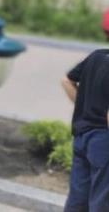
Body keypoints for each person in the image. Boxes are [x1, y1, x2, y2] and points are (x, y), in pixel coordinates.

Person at [61, 50, 109, 211]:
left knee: (78, 198)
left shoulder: (96, 56)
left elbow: (66, 81)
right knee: (101, 201)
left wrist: (86, 107)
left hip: (82, 135)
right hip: (103, 139)